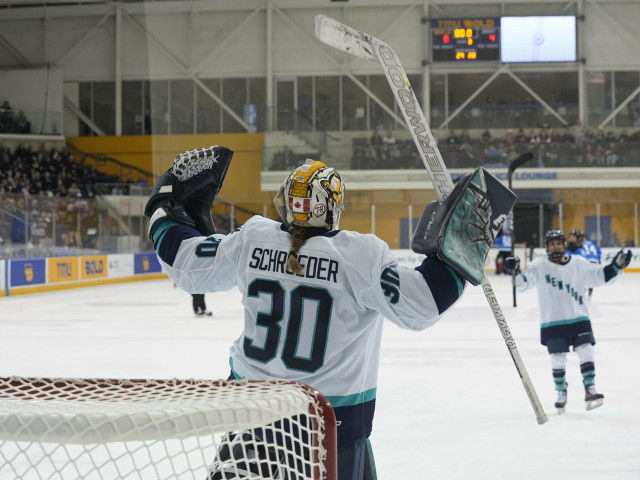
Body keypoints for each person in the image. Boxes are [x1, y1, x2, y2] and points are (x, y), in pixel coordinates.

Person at [144, 147, 512, 479]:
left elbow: (185, 261)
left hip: (248, 416)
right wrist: (461, 249)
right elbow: (424, 304)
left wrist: (163, 209)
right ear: (333, 206)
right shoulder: (358, 257)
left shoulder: (252, 239)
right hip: (328, 428)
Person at [505, 229, 631, 414]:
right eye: (552, 243)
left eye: (558, 242)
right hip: (553, 321)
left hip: (579, 317)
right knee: (557, 359)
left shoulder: (578, 263)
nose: (556, 246)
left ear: (564, 245)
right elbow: (524, 283)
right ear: (547, 247)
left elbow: (597, 275)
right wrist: (514, 272)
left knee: (586, 351)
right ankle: (561, 392)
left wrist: (615, 267)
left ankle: (590, 389)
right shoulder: (539, 265)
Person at [566, 229, 601, 298]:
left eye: (573, 237)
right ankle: (588, 288)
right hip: (594, 261)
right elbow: (599, 251)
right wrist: (598, 260)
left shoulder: (580, 249)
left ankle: (583, 288)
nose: (571, 238)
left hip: (587, 262)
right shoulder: (591, 243)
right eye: (570, 237)